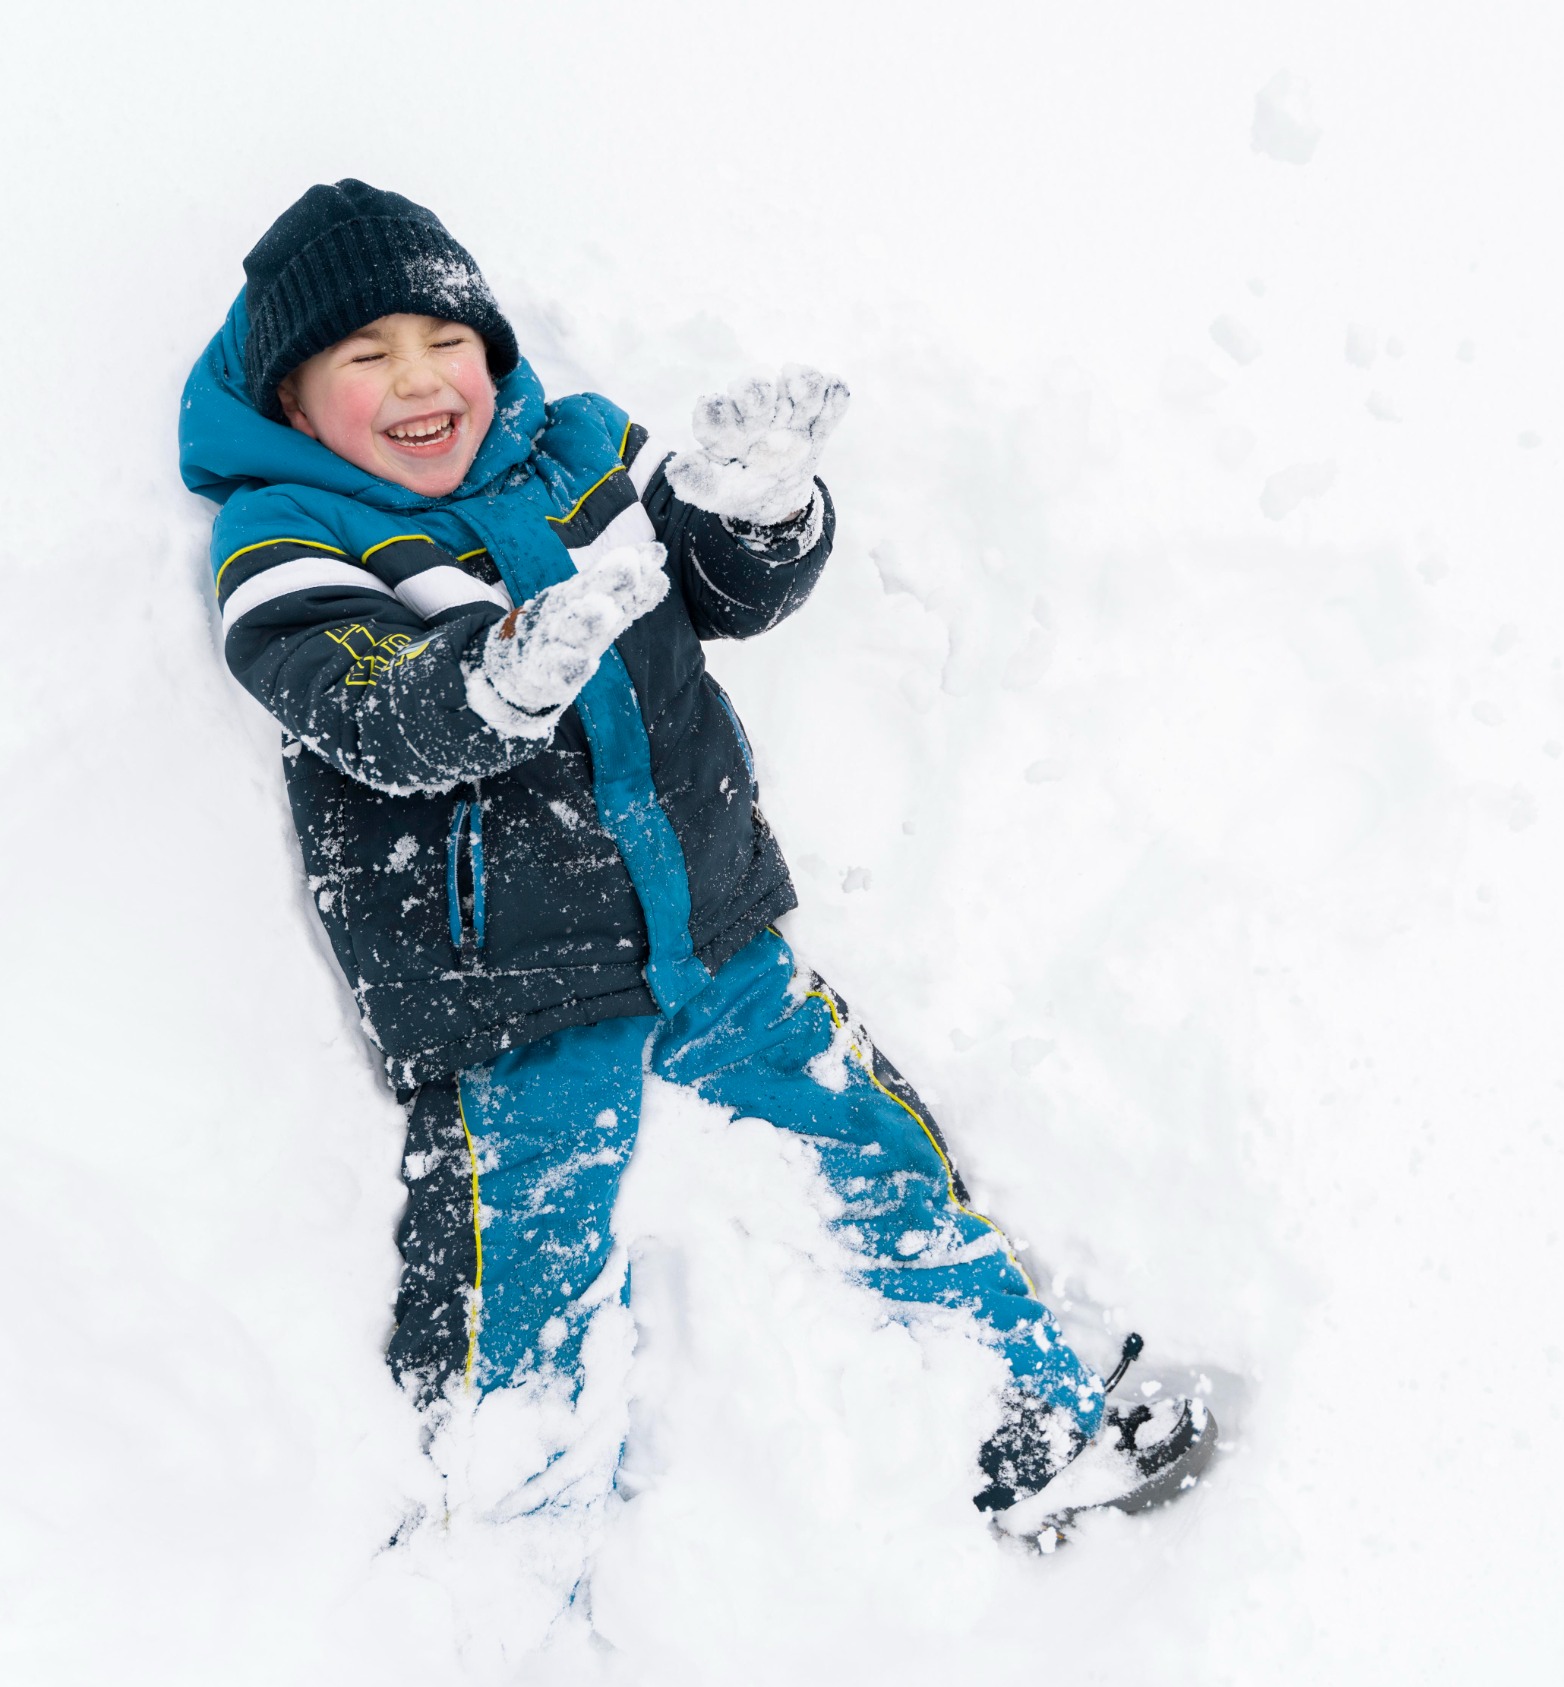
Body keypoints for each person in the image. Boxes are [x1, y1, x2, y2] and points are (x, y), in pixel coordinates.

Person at [174, 181, 1213, 1595]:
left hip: (714, 932)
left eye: (445, 341)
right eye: (366, 358)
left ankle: (1038, 1413)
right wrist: (489, 683)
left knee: (874, 1150)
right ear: (296, 400)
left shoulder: (587, 450)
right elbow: (359, 706)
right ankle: (498, 1585)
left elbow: (720, 588)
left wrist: (761, 512)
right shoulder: (289, 534)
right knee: (516, 1293)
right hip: (510, 1003)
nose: (420, 381)